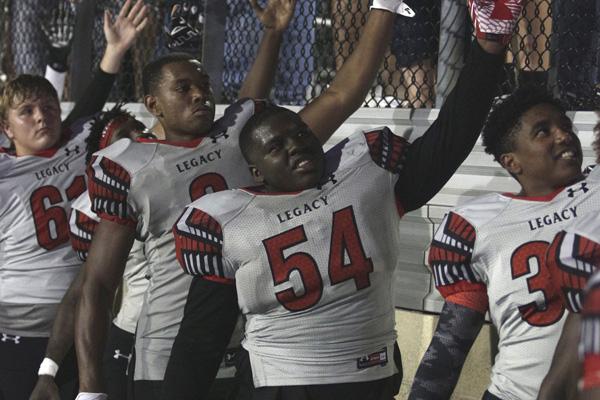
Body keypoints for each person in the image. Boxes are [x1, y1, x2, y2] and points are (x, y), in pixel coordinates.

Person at [163, 2, 513, 398]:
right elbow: (200, 339)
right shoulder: (227, 221)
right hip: (282, 386)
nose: (296, 146)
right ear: (256, 171)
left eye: (299, 132)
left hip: (369, 379)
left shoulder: (366, 174)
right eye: (276, 146)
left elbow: (451, 137)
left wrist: (488, 50)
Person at [408, 82, 600, 399]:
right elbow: (453, 340)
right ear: (512, 161)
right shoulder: (475, 224)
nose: (564, 135)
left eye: (565, 126)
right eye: (543, 131)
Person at [0, 1, 148, 399]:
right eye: (26, 112)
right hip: (20, 321)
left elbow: (88, 109)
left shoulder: (79, 140)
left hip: (87, 313)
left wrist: (114, 53)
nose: (41, 117)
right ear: (5, 127)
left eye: (48, 107)